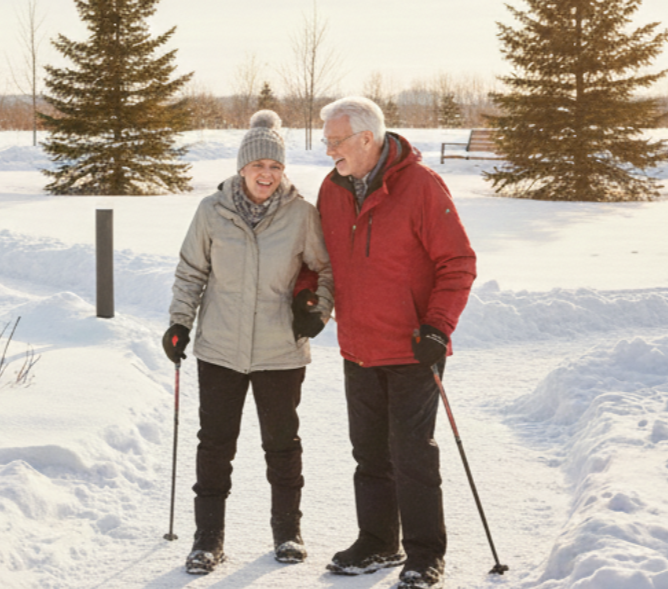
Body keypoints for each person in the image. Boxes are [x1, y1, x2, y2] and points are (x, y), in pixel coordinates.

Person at [162, 110, 333, 575]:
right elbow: (191, 272)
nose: (267, 174)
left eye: (275, 166)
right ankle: (207, 539)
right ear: (242, 167)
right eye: (259, 165)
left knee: (282, 445)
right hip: (220, 347)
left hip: (280, 350)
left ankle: (288, 532)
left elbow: (325, 269)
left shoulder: (301, 214)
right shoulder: (211, 211)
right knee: (215, 445)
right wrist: (179, 323)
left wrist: (317, 309)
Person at [316, 97, 476, 589]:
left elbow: (458, 262)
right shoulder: (332, 189)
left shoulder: (420, 186)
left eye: (335, 141)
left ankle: (425, 554)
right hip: (358, 346)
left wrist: (438, 326)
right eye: (326, 141)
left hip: (413, 347)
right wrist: (308, 297)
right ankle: (378, 541)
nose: (329, 151)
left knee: (411, 455)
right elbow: (318, 260)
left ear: (366, 138)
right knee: (369, 453)